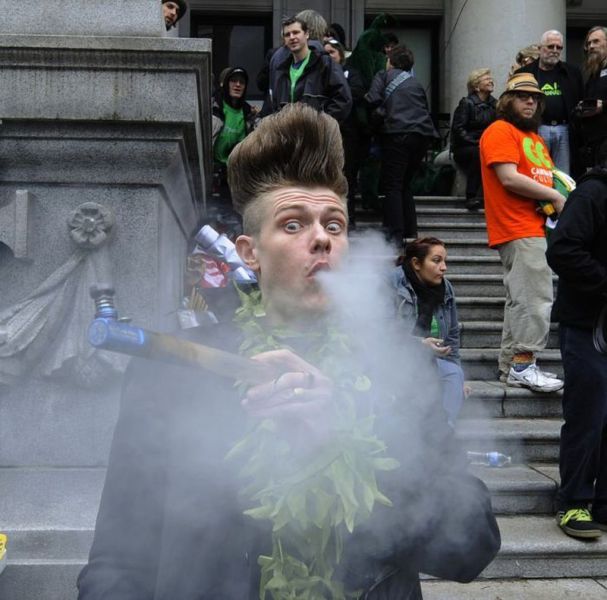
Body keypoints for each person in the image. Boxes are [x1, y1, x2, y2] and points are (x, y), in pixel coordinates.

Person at [77, 104, 500, 599]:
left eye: (334, 225)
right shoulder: (175, 372)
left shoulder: (400, 371)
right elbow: (118, 561)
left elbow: (472, 546)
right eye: (294, 224)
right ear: (249, 252)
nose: (320, 238)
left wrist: (345, 444)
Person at [479, 73, 565, 392]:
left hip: (533, 226)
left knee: (521, 299)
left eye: (536, 98)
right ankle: (524, 365)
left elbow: (544, 178)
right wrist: (555, 196)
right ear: (507, 101)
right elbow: (509, 178)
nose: (530, 101)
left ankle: (510, 366)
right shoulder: (500, 130)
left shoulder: (535, 138)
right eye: (522, 96)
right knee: (534, 298)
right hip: (517, 226)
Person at [546, 138, 607, 540]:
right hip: (586, 325)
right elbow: (562, 250)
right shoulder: (593, 192)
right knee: (588, 415)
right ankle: (573, 502)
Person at [366, 45, 439, 247]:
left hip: (396, 134)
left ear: (390, 61)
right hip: (422, 137)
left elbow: (372, 99)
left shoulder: (383, 76)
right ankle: (411, 231)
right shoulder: (416, 83)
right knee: (405, 184)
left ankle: (395, 236)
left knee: (392, 185)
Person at [391, 237, 465, 428]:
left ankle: (444, 430)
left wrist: (459, 380)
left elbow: (452, 335)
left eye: (445, 261)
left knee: (454, 374)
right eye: (436, 260)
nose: (444, 267)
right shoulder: (391, 283)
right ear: (416, 263)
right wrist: (419, 344)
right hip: (392, 360)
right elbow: (380, 333)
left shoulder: (445, 288)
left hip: (430, 360)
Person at [515, 30, 584, 175]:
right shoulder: (524, 73)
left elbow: (580, 99)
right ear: (540, 48)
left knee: (563, 175)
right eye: (550, 46)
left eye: (559, 47)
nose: (555, 50)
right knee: (538, 172)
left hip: (564, 129)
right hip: (536, 128)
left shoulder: (572, 72)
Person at [262, 16, 352, 123]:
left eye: (296, 32)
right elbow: (274, 106)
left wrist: (320, 124)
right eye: (287, 34)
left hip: (316, 131)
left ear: (307, 34)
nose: (292, 37)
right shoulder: (281, 70)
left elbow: (343, 100)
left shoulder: (324, 63)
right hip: (288, 132)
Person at [324, 38, 366, 228]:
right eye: (326, 53)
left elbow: (358, 93)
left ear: (340, 54)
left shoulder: (351, 73)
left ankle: (349, 221)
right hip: (325, 135)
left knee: (347, 178)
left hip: (348, 135)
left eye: (332, 52)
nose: (329, 56)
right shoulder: (319, 75)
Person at [450, 68, 497, 210]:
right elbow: (458, 130)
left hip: (486, 145)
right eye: (486, 79)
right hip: (465, 147)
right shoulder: (467, 103)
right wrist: (477, 143)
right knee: (478, 153)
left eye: (491, 78)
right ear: (476, 86)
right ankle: (472, 197)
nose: (491, 81)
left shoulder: (495, 104)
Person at [575, 26, 607, 167]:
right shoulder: (594, 72)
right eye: (588, 43)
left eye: (596, 41)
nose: (591, 46)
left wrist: (604, 106)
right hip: (595, 143)